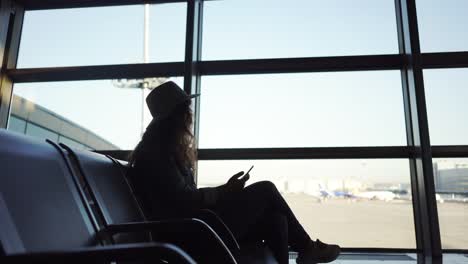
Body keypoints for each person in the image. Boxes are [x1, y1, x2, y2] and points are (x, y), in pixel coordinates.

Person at [128, 81, 340, 264]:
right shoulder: (157, 154)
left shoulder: (161, 150)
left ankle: (307, 249)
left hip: (196, 227)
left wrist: (225, 191)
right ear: (176, 117)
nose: (190, 116)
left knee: (277, 220)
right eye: (187, 111)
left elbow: (183, 198)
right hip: (191, 234)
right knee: (266, 189)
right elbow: (184, 201)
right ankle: (307, 248)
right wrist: (224, 192)